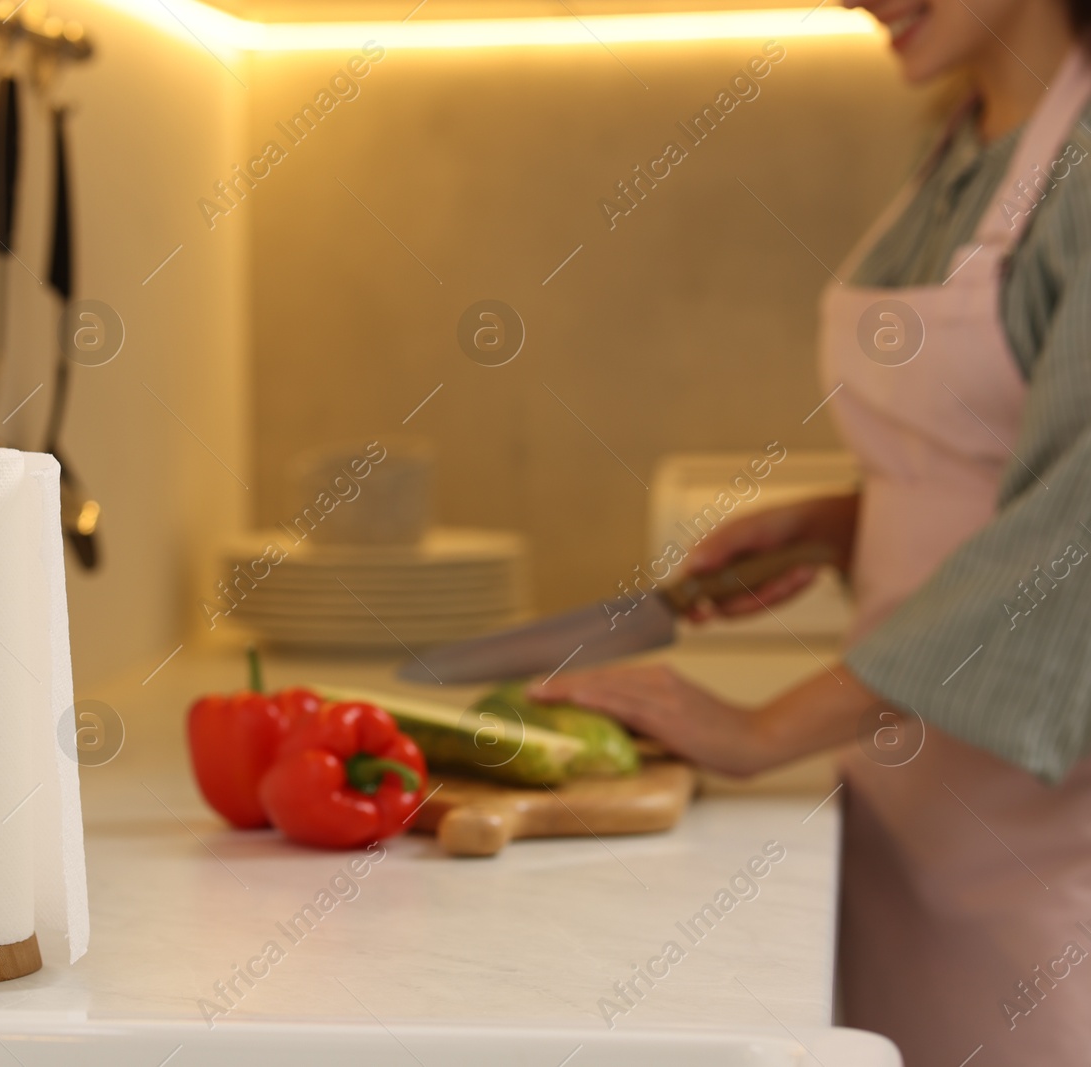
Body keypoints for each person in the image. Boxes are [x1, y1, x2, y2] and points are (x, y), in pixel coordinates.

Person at [528, 0, 1091, 1062]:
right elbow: (997, 455)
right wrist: (844, 521)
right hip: (898, 786)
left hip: (1035, 820)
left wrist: (764, 727)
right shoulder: (955, 152)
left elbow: (1072, 531)